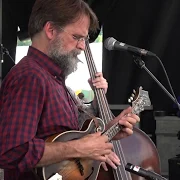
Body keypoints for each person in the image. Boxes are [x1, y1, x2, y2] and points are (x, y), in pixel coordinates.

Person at [0, 0, 139, 179]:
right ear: (50, 30)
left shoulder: (54, 79)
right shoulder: (30, 77)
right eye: (76, 37)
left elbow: (65, 140)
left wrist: (109, 131)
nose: (82, 46)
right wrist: (80, 148)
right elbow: (11, 151)